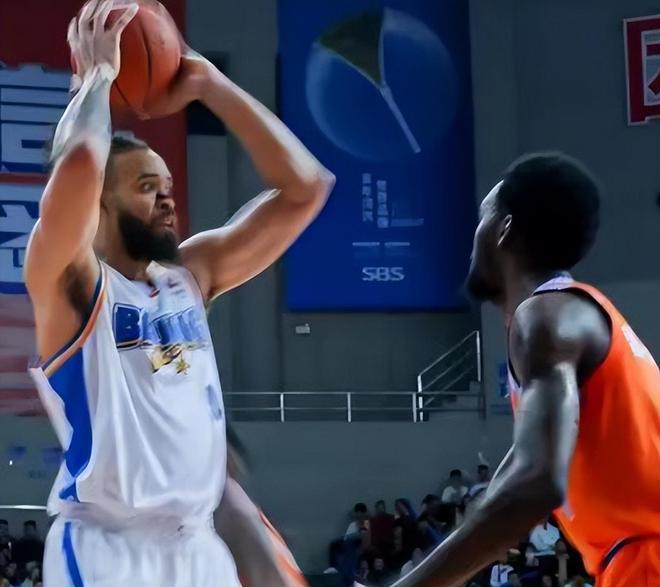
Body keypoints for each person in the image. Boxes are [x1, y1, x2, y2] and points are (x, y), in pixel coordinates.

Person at [25, 2, 334, 586]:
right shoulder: (71, 284)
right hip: (109, 548)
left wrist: (209, 83)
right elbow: (81, 163)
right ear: (100, 202)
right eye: (147, 186)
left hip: (197, 544)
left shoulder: (189, 277)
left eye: (167, 184)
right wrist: (97, 79)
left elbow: (307, 188)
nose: (167, 198)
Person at [391, 152, 660, 587]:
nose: (473, 235)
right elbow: (514, 480)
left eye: (483, 217)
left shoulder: (545, 318)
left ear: (504, 229)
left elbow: (536, 485)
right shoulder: (574, 318)